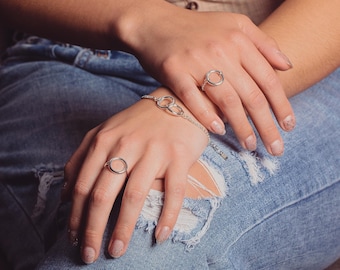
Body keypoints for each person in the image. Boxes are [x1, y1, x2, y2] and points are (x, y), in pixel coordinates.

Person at [0, 0, 339, 269]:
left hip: (293, 63)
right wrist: (145, 21)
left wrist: (188, 102)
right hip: (71, 59)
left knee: (145, 218)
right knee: (103, 224)